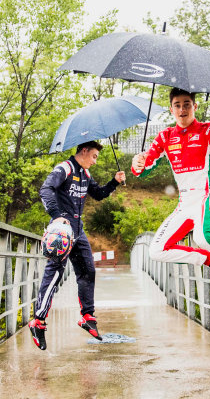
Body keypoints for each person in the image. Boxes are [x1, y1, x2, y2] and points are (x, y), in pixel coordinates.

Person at [131, 88, 210, 292]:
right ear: (171, 109)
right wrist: (137, 164)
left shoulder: (208, 130)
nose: (182, 110)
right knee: (156, 251)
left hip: (206, 198)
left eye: (187, 104)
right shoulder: (165, 136)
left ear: (195, 106)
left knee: (202, 237)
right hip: (184, 204)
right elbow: (144, 169)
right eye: (177, 105)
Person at [29, 141, 126, 350]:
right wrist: (56, 217)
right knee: (54, 274)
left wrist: (114, 182)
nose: (95, 161)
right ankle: (38, 321)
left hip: (78, 229)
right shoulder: (65, 168)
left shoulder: (85, 174)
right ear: (84, 152)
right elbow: (45, 189)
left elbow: (98, 194)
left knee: (88, 270)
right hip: (62, 230)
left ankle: (88, 317)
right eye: (94, 157)